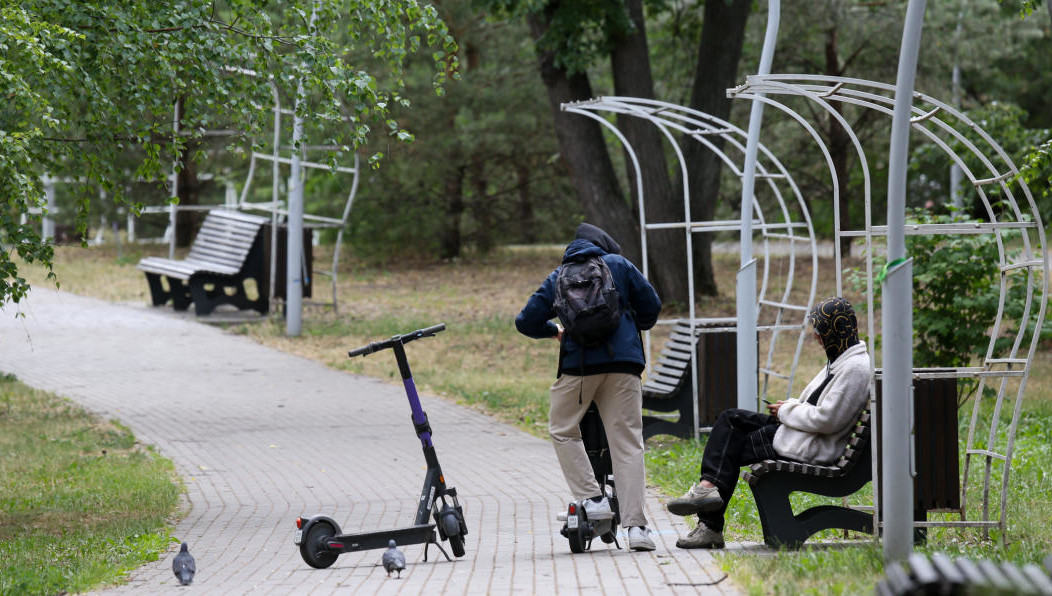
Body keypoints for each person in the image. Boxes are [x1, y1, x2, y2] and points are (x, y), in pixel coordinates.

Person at [666, 296, 872, 549]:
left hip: (811, 445)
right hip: (802, 434)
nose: (817, 337)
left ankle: (709, 518)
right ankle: (708, 498)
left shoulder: (854, 369)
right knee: (730, 420)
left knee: (728, 448)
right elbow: (817, 407)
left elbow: (828, 420)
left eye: (821, 331)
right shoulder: (841, 361)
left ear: (836, 330)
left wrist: (786, 410)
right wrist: (787, 408)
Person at [515, 223, 662, 552]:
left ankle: (592, 500)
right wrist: (629, 324)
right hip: (623, 367)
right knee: (626, 442)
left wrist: (554, 329)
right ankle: (637, 528)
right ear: (603, 245)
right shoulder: (619, 266)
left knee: (563, 428)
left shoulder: (559, 276)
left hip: (579, 369)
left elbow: (525, 321)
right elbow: (652, 306)